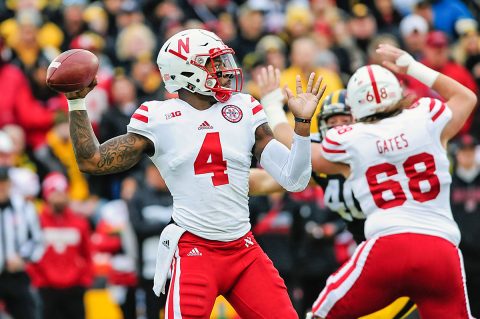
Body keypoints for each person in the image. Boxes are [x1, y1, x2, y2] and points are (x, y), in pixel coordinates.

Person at [61, 28, 320, 318]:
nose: (223, 69)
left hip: (244, 249)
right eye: (214, 63)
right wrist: (77, 103)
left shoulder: (244, 108)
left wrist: (301, 125)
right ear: (185, 72)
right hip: (195, 249)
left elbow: (294, 180)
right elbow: (93, 161)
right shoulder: (158, 117)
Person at [264, 44, 477, 317]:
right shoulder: (426, 116)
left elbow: (299, 149)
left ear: (355, 107)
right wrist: (413, 67)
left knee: (319, 314)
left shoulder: (351, 138)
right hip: (442, 248)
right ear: (397, 91)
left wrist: (276, 105)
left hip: (388, 246)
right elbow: (466, 97)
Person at [252, 71, 418, 319]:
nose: (339, 128)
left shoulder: (366, 145)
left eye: (345, 121)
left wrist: (272, 105)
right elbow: (270, 175)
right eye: (333, 122)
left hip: (396, 245)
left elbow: (290, 139)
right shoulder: (326, 153)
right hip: (370, 251)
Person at [28, 172, 93, 319]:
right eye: (55, 192)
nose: (59, 196)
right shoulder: (37, 222)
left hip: (74, 289)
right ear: (46, 194)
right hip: (46, 289)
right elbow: (30, 254)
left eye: (62, 192)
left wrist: (84, 280)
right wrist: (38, 280)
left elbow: (88, 253)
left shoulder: (79, 223)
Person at [0, 165, 44, 319]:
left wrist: (23, 257)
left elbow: (38, 240)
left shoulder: (25, 208)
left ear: (9, 184)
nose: (1, 187)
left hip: (15, 275)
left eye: (3, 182)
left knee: (26, 313)